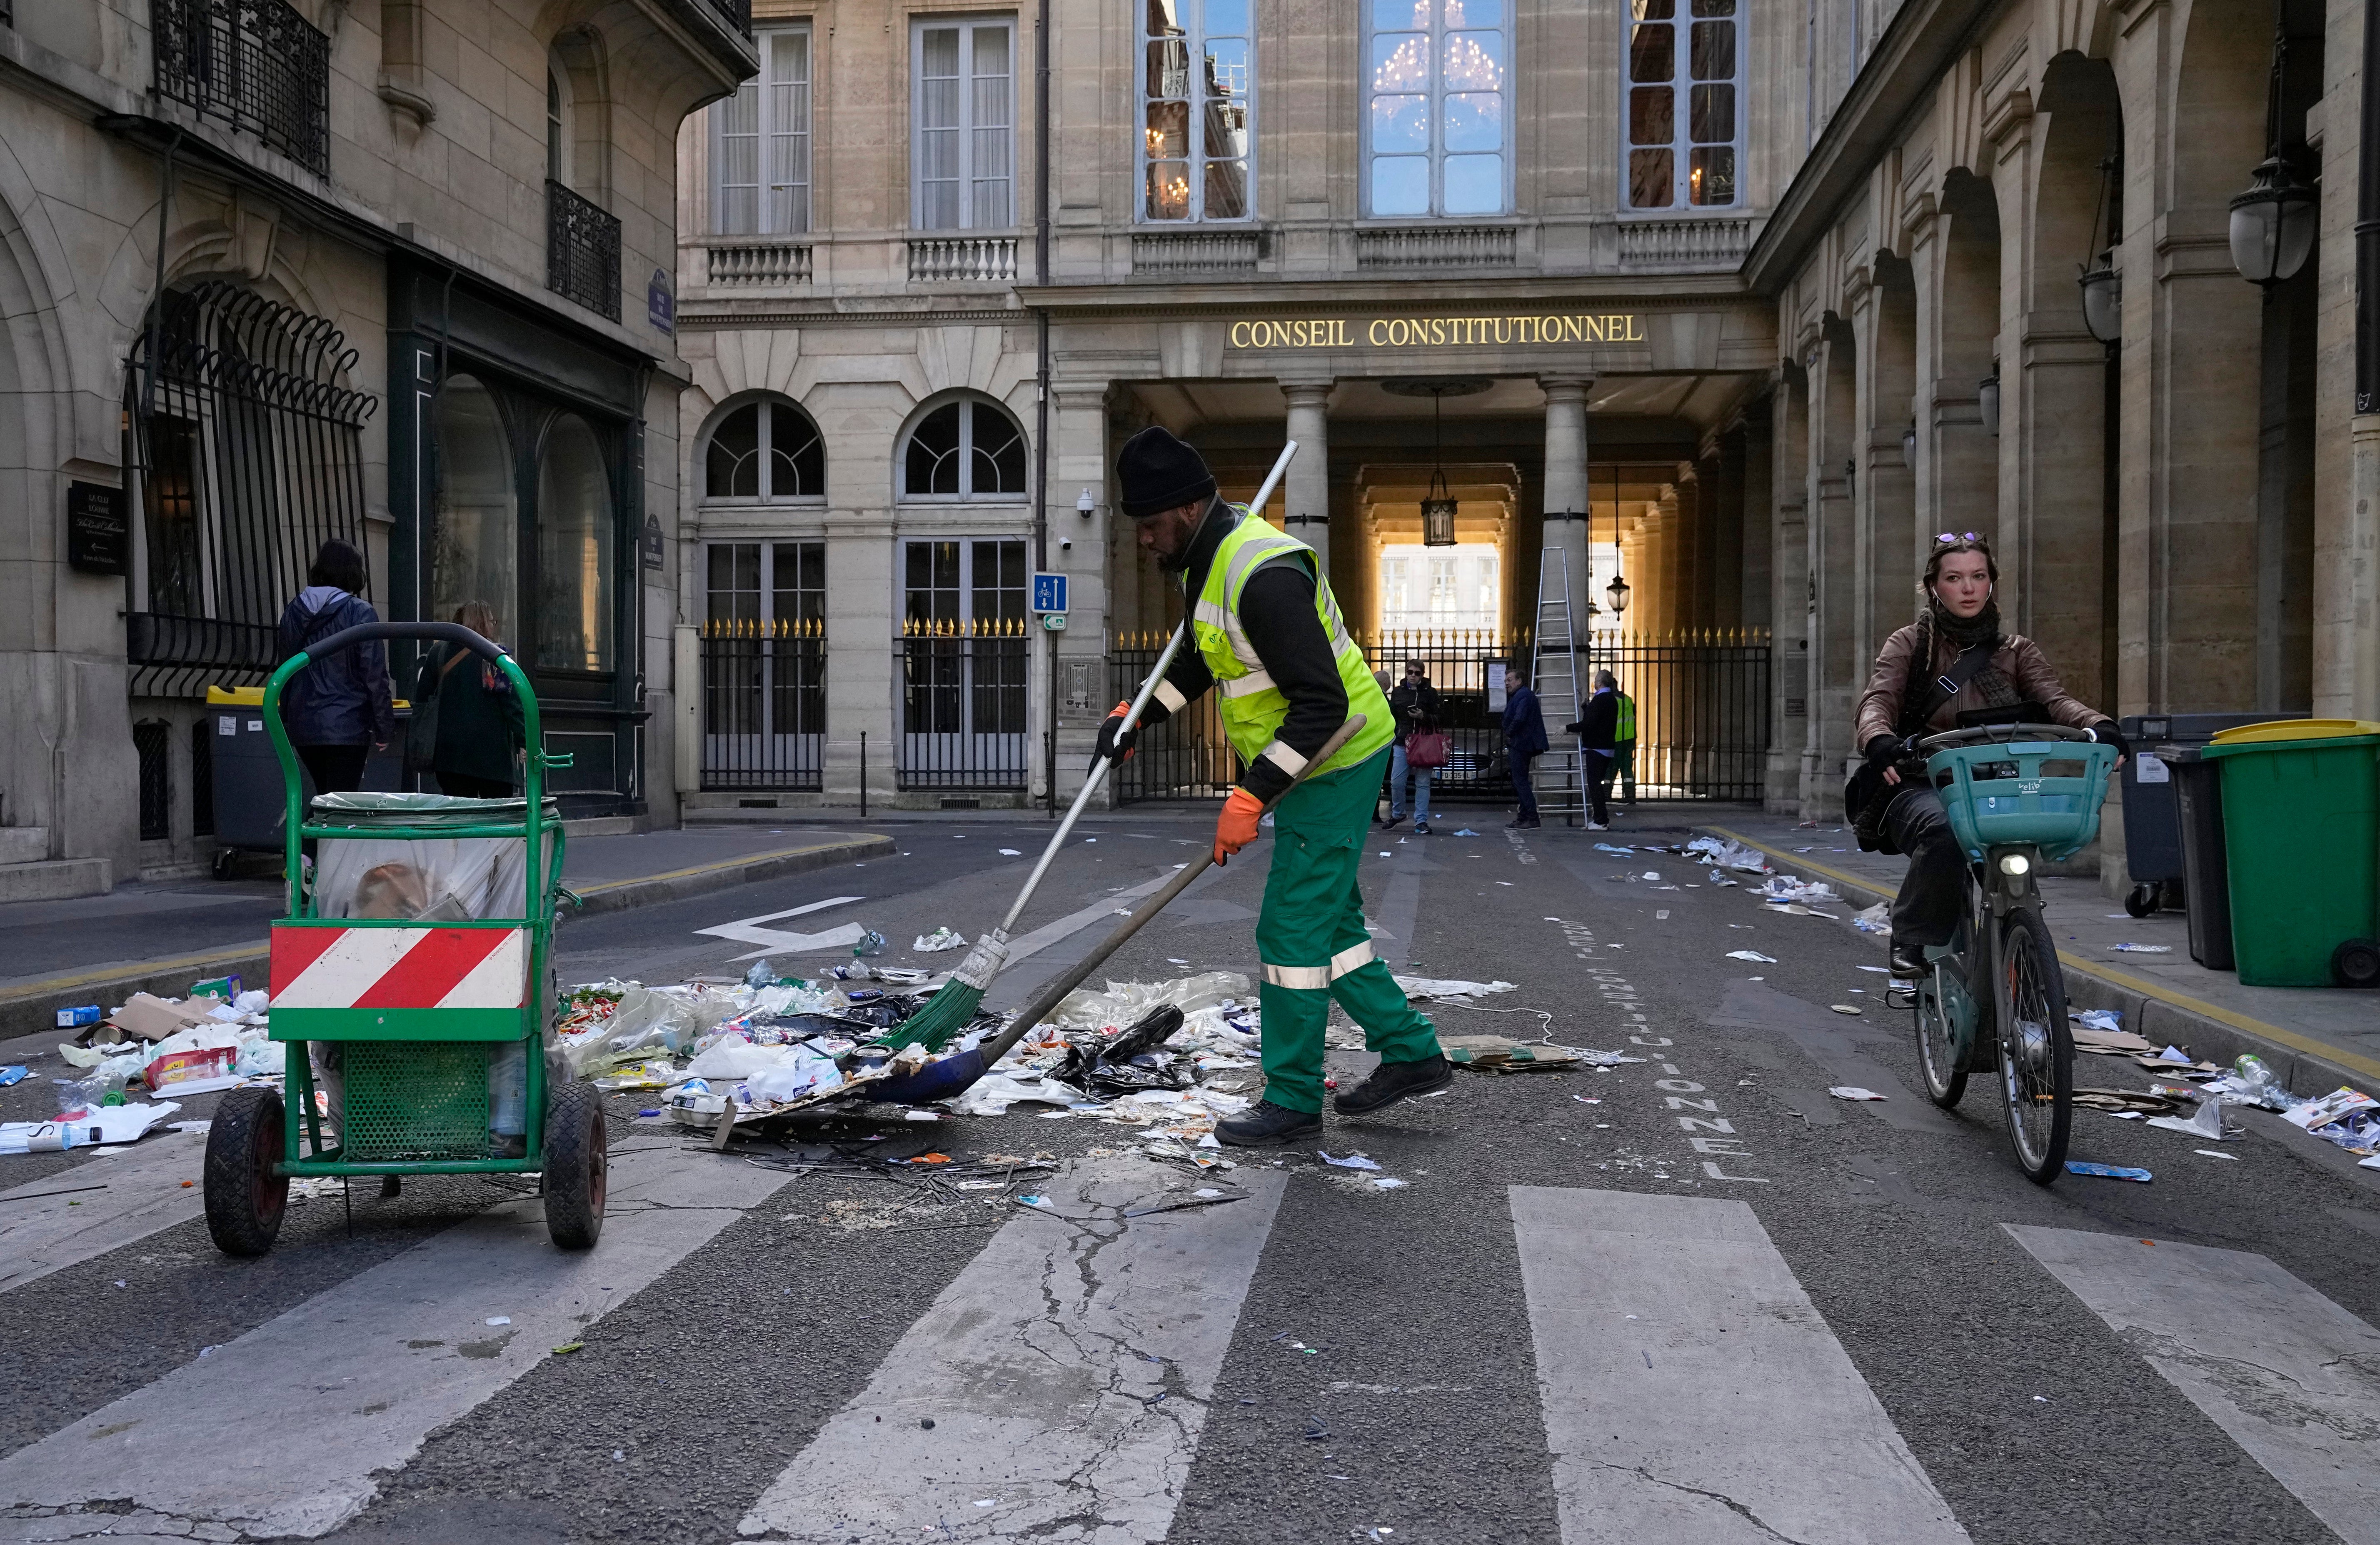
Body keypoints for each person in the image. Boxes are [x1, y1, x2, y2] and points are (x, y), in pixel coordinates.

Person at [1095, 426, 1450, 1145]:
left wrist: (1251, 794)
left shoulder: (1264, 574)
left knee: (1290, 928)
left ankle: (1290, 1099)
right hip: (1307, 763)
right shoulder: (1204, 565)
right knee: (1331, 926)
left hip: (1336, 757)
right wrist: (1136, 714)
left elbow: (1321, 704)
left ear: (1188, 510)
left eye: (1152, 525)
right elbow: (1203, 657)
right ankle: (1411, 1051)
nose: (1144, 540)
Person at [1854, 534, 2127, 978]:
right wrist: (1878, 738)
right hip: (1923, 782)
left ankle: (2029, 971)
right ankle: (1912, 937)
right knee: (1946, 831)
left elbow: (2056, 701)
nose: (1968, 588)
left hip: (1995, 784)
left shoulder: (2015, 651)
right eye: (1955, 578)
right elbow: (1877, 700)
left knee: (2012, 870)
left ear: (1991, 585)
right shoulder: (1909, 644)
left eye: (1978, 577)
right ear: (1934, 588)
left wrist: (2100, 726)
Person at [276, 539, 393, 797]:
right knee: (340, 802)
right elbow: (375, 676)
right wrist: (384, 727)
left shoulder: (293, 611)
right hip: (347, 725)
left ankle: (306, 838)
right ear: (354, 573)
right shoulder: (360, 613)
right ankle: (311, 839)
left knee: (325, 798)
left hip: (304, 723)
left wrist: (287, 718)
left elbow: (284, 668)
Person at [412, 601, 524, 798]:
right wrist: (526, 741)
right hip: (492, 758)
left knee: (461, 817)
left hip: (450, 757)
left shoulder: (439, 653)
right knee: (495, 819)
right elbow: (511, 705)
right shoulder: (495, 655)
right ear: (483, 624)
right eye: (492, 621)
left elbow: (422, 700)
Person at [1382, 659, 1443, 834]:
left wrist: (1424, 716)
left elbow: (1441, 716)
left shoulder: (1430, 693)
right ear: (1406, 673)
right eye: (1410, 672)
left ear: (1423, 675)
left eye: (1417, 673)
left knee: (1423, 783)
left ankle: (1421, 821)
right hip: (1403, 741)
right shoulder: (1399, 692)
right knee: (1396, 782)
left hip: (1424, 742)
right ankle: (1398, 814)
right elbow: (1392, 714)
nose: (1413, 676)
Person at [1565, 669, 1620, 830]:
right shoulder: (1611, 699)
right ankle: (1600, 818)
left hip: (1597, 748)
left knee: (1594, 784)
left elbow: (1589, 724)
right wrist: (1586, 708)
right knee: (1597, 784)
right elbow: (1597, 719)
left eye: (1596, 680)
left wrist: (1567, 728)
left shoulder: (1600, 700)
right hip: (1607, 747)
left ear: (1600, 683)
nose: (1594, 682)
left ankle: (1601, 820)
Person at [1501, 660, 1546, 828]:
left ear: (1519, 681)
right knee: (1519, 781)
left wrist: (1510, 732)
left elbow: (1519, 718)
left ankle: (1532, 817)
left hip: (1521, 744)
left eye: (1510, 680)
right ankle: (1523, 817)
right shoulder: (1521, 695)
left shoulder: (1524, 696)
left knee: (1520, 781)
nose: (1507, 684)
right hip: (1521, 743)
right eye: (1506, 681)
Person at [1614, 684, 1638, 803]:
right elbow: (1634, 712)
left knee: (1612, 766)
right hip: (1630, 737)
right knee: (1627, 766)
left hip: (1617, 738)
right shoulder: (1628, 699)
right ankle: (1630, 794)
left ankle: (1606, 793)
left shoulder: (1613, 701)